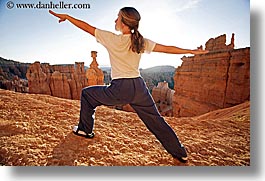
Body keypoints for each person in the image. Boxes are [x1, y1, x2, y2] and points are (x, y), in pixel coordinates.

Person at [49, 7, 208, 163]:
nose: (115, 20)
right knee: (156, 121)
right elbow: (167, 48)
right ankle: (180, 152)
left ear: (124, 23)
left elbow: (87, 28)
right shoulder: (140, 41)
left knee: (87, 94)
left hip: (120, 88)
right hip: (139, 87)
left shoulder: (112, 39)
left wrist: (68, 17)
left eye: (117, 17)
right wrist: (192, 51)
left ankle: (85, 130)